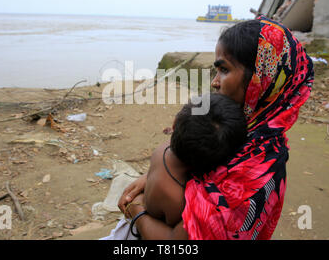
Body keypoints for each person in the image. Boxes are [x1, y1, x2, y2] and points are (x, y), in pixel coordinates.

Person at [118, 16, 314, 240]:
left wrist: (137, 211)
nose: (214, 82)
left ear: (260, 78)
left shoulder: (252, 170)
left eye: (224, 70)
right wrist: (156, 174)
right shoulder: (252, 133)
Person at [102, 94, 247, 240]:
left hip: (130, 228)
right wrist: (136, 209)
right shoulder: (180, 200)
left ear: (174, 123)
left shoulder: (162, 150)